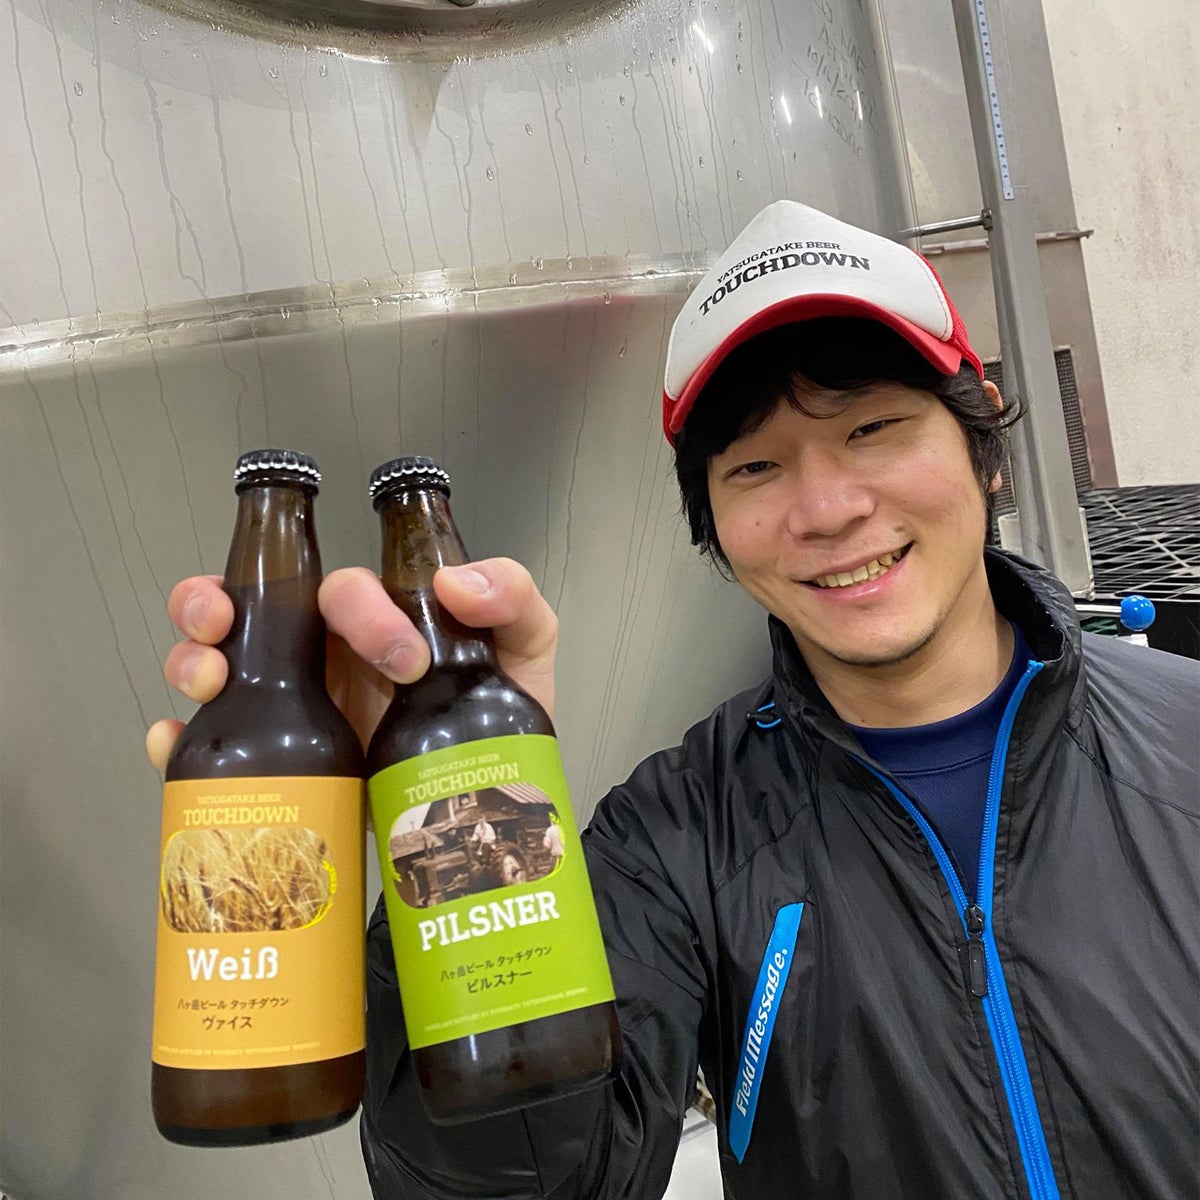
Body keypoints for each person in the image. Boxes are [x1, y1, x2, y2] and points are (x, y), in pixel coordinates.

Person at [148, 201, 1198, 1199]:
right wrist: (445, 823)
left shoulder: (1187, 739)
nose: (827, 508)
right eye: (756, 466)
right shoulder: (676, 835)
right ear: (714, 530)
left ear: (984, 448)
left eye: (874, 427)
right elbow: (545, 1184)